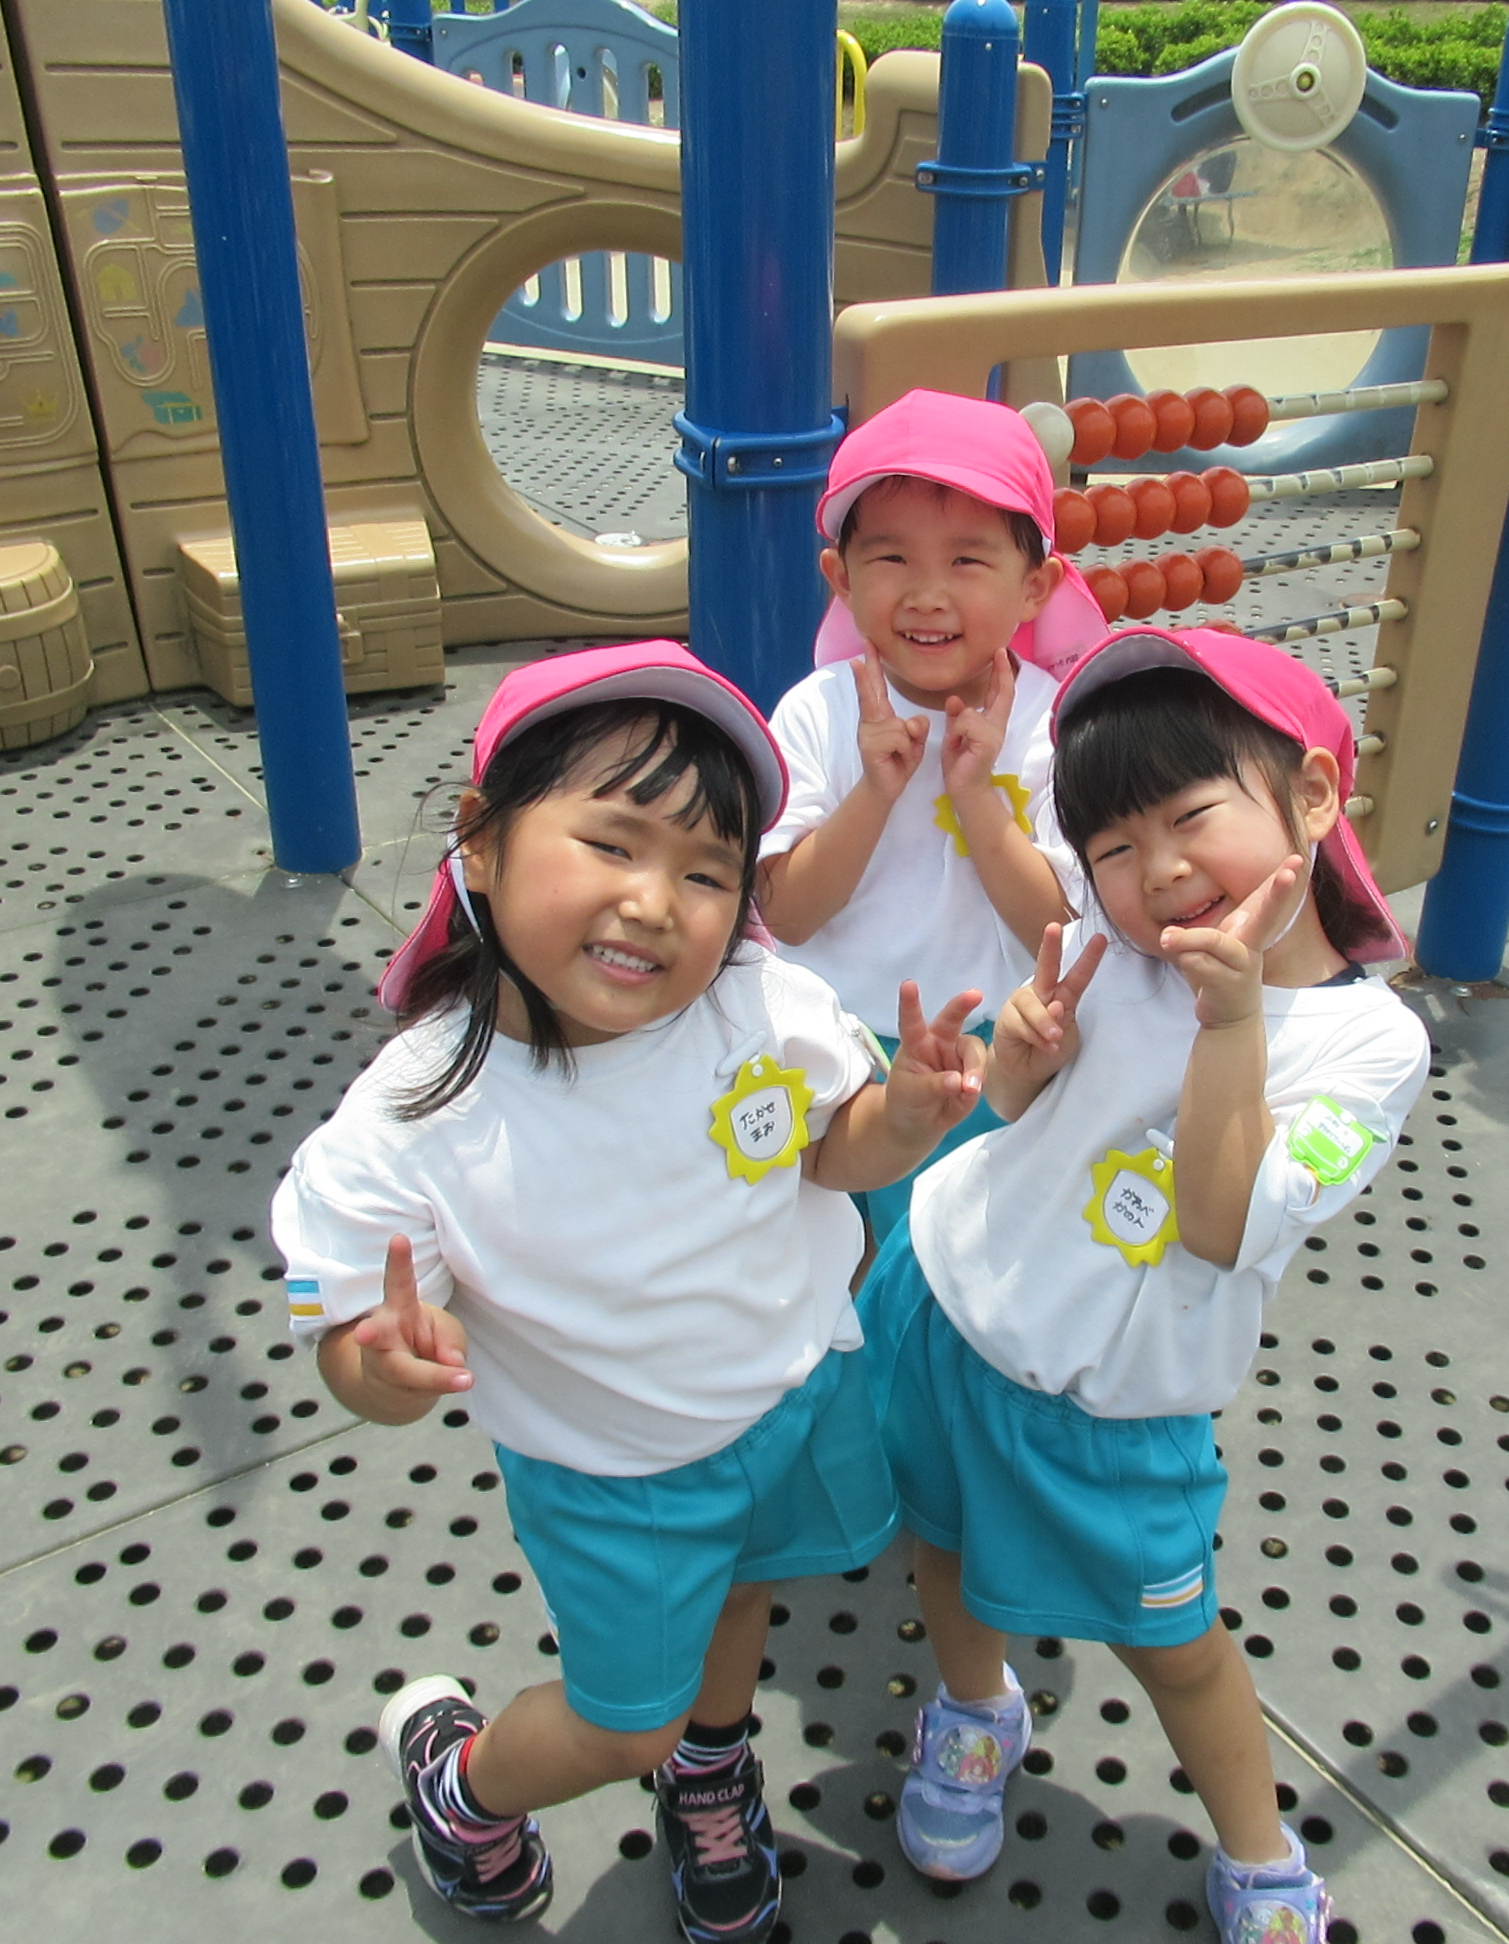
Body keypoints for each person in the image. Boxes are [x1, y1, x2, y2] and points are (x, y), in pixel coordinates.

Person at [270, 641, 988, 1942]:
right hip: (613, 1475)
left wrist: (905, 1118)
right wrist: (380, 1361)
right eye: (611, 844)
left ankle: (709, 1768)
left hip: (782, 1402)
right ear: (479, 840)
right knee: (619, 1722)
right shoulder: (417, 1117)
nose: (657, 902)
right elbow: (354, 1347)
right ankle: (465, 1788)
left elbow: (832, 1149)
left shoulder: (757, 1007)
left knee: (743, 1593)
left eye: (707, 872)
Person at [858, 624, 1433, 1943]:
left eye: (1190, 818)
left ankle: (1261, 1854)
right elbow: (1014, 1108)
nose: (1158, 870)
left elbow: (1224, 1224)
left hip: (1117, 1409)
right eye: (1115, 846)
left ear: (1310, 796)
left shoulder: (1366, 1045)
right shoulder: (1117, 942)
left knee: (1177, 1648)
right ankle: (977, 1709)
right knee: (943, 1543)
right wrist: (1024, 1052)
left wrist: (1230, 1021)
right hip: (948, 1302)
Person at [758, 387, 1109, 1240]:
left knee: (956, 1254)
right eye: (891, 559)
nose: (926, 594)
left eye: (966, 562)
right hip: (830, 1044)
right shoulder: (816, 713)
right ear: (841, 578)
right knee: (831, 1251)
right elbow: (785, 914)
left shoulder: (1054, 728)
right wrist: (876, 792)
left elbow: (1062, 929)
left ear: (1035, 587)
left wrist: (976, 799)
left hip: (984, 1055)